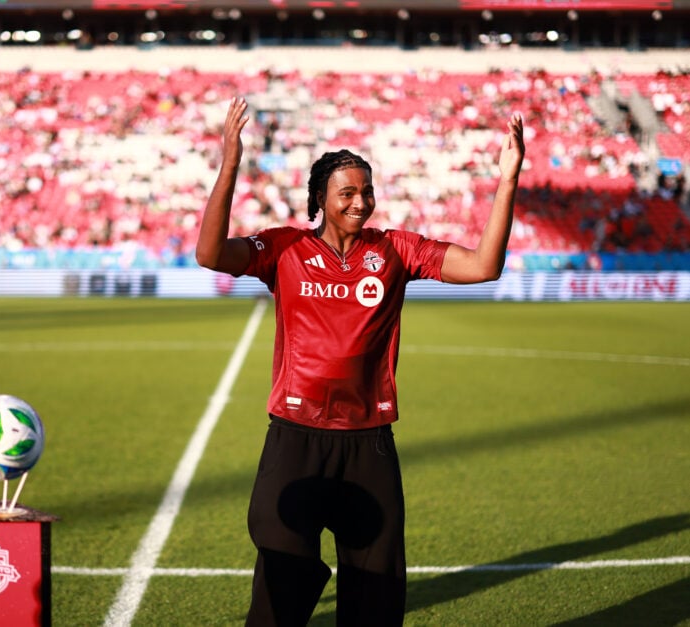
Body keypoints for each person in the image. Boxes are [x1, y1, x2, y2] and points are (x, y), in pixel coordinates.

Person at [196, 97, 525, 626]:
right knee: (282, 568)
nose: (360, 201)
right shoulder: (284, 249)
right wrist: (230, 162)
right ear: (320, 199)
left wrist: (507, 180)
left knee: (376, 592)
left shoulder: (396, 250)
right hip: (295, 436)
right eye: (347, 192)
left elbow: (484, 266)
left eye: (366, 191)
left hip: (368, 441)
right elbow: (210, 255)